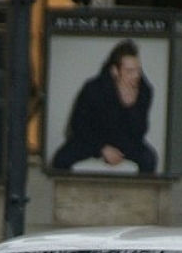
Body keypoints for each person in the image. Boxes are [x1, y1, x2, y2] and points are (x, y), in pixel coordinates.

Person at [51, 39, 158, 174]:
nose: (136, 76)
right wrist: (101, 148)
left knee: (149, 159)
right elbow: (77, 125)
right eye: (130, 71)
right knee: (61, 159)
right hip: (92, 140)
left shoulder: (144, 90)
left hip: (125, 142)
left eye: (138, 70)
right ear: (115, 71)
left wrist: (130, 107)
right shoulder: (94, 89)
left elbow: (139, 132)